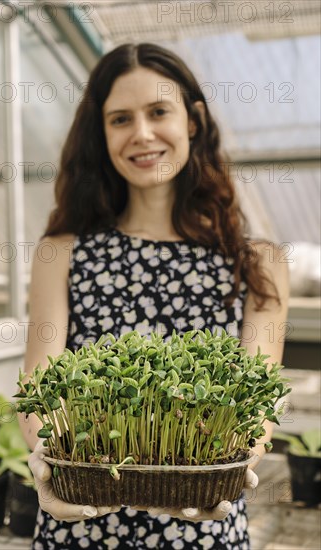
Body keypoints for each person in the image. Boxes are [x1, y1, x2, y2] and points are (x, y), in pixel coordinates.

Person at [20, 42, 289, 550]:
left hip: (204, 528)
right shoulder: (61, 253)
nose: (141, 134)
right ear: (101, 134)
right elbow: (41, 379)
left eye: (158, 112)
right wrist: (46, 464)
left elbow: (259, 404)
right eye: (121, 118)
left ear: (192, 120)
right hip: (82, 521)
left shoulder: (260, 262)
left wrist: (237, 465)